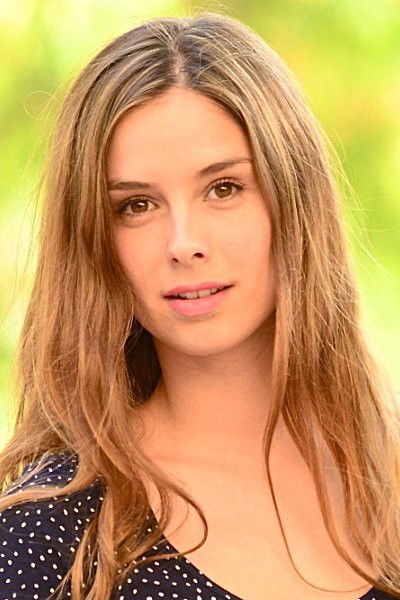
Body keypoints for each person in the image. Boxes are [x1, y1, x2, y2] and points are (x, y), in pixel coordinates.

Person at [0, 10, 398, 600]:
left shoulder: (386, 475)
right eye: (136, 205)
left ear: (295, 200)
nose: (183, 243)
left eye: (224, 188)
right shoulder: (49, 534)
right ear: (95, 240)